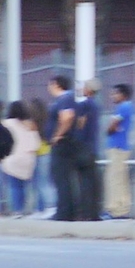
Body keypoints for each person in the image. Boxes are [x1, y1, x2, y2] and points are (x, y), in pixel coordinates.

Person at [49, 75, 98, 223]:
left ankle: (67, 212)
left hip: (73, 145)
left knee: (64, 179)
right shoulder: (93, 104)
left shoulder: (72, 101)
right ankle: (84, 213)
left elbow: (71, 119)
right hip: (85, 146)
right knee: (83, 182)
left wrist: (57, 135)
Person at [102, 82, 133, 218]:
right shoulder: (129, 106)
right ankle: (122, 209)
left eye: (115, 93)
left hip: (118, 147)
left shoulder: (124, 107)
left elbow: (112, 126)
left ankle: (114, 210)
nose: (112, 96)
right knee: (120, 179)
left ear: (123, 95)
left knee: (114, 179)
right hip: (122, 147)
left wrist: (109, 130)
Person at [0, 102, 27, 215]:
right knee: (19, 185)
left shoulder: (6, 124)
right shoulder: (27, 124)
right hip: (24, 158)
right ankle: (18, 209)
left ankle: (4, 208)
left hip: (10, 159)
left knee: (7, 185)